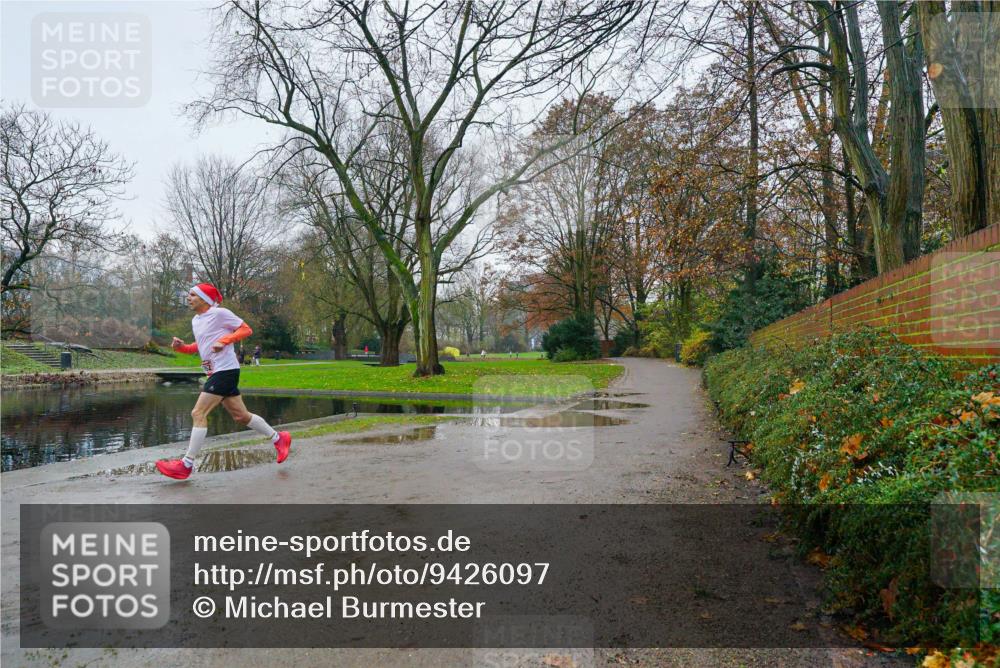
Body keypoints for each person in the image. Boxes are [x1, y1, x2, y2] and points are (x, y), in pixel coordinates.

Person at [155, 283, 291, 480]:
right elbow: (199, 346)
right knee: (241, 416)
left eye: (192, 295)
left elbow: (246, 330)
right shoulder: (196, 320)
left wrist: (225, 341)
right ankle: (280, 439)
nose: (188, 298)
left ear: (204, 299)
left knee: (198, 412)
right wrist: (182, 347)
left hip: (225, 370)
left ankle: (186, 464)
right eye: (188, 295)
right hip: (214, 372)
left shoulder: (220, 313)